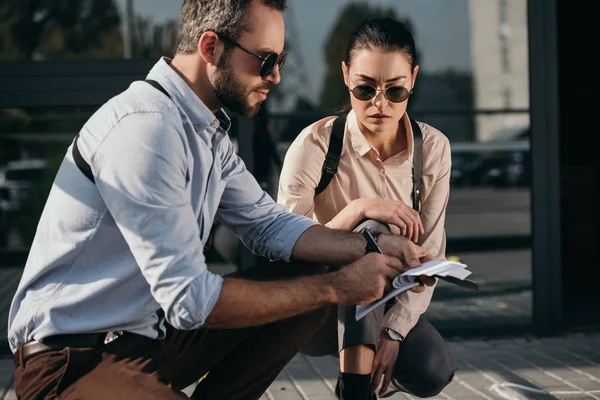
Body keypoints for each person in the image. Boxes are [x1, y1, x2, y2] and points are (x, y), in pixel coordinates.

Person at [7, 2, 436, 399]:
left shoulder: (205, 133)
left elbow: (270, 225)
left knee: (309, 276)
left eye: (281, 62)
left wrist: (372, 248)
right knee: (317, 287)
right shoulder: (146, 129)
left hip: (148, 340)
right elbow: (190, 300)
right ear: (211, 47)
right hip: (70, 362)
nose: (276, 77)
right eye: (266, 61)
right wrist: (335, 287)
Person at [278, 17, 457, 399]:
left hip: (385, 301)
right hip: (316, 303)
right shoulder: (314, 145)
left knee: (432, 369)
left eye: (395, 91)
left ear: (413, 77)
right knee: (372, 234)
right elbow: (285, 245)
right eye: (365, 88)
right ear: (345, 75)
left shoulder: (434, 150)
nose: (379, 104)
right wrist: (360, 208)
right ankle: (357, 389)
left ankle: (358, 376)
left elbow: (431, 253)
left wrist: (393, 333)